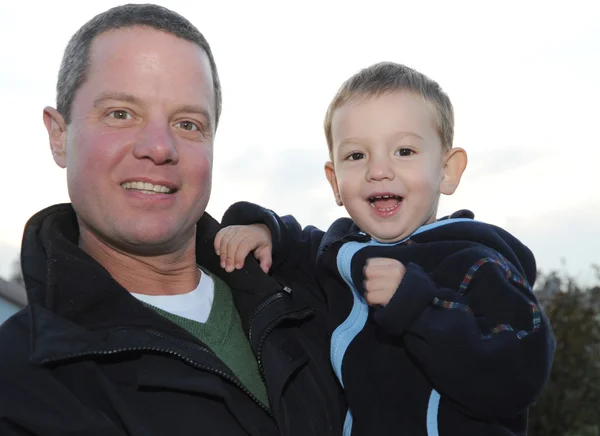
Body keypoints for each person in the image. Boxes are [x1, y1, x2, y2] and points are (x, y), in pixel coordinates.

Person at [0, 4, 344, 435]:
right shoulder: (20, 387)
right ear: (59, 134)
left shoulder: (321, 297)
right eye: (121, 114)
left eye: (187, 123)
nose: (159, 147)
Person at [215, 62, 556, 435]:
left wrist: (418, 306)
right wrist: (266, 231)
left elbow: (521, 372)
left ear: (447, 170)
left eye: (404, 151)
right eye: (356, 156)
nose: (378, 170)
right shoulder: (341, 253)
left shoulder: (475, 263)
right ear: (335, 182)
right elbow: (301, 244)